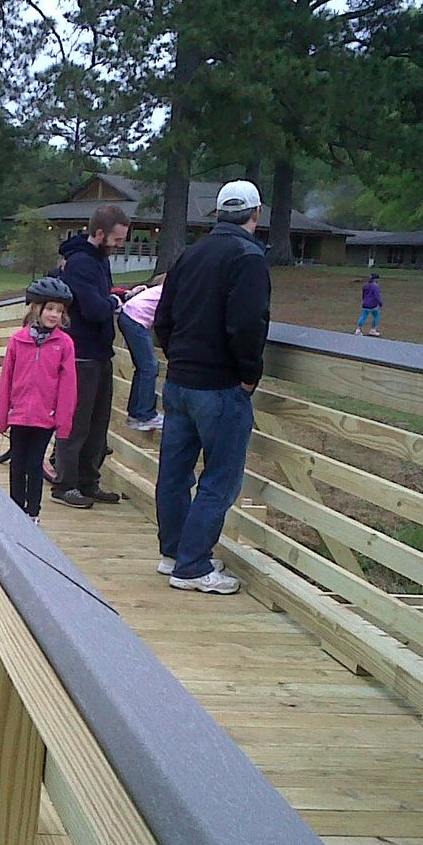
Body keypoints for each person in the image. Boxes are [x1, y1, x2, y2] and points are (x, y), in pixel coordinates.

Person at [153, 179, 271, 595]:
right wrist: (250, 373)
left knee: (175, 473)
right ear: (256, 213)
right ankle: (193, 565)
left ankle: (174, 554)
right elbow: (248, 323)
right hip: (221, 385)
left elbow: (162, 318)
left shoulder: (191, 254)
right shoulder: (248, 257)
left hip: (180, 381)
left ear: (218, 214)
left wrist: (177, 355)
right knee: (220, 480)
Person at [50, 204, 131, 509]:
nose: (119, 245)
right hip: (80, 355)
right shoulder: (81, 263)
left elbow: (102, 299)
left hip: (100, 353)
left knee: (98, 424)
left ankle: (88, 482)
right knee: (76, 424)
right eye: (117, 239)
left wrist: (117, 296)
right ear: (99, 233)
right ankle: (65, 485)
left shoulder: (100, 260)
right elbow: (94, 308)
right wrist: (113, 302)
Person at [0, 277, 78, 524]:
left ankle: (32, 513)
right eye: (50, 309)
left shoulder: (64, 344)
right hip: (19, 414)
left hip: (45, 417)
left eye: (59, 311)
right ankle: (15, 511)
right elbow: (6, 380)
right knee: (17, 464)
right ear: (37, 308)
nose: (54, 315)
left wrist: (63, 422)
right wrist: (2, 415)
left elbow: (68, 386)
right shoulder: (18, 340)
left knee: (34, 464)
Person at [118, 273, 166, 430]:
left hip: (129, 316)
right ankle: (145, 415)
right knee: (149, 367)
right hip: (135, 320)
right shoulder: (174, 291)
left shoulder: (163, 290)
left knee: (143, 367)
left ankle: (135, 414)